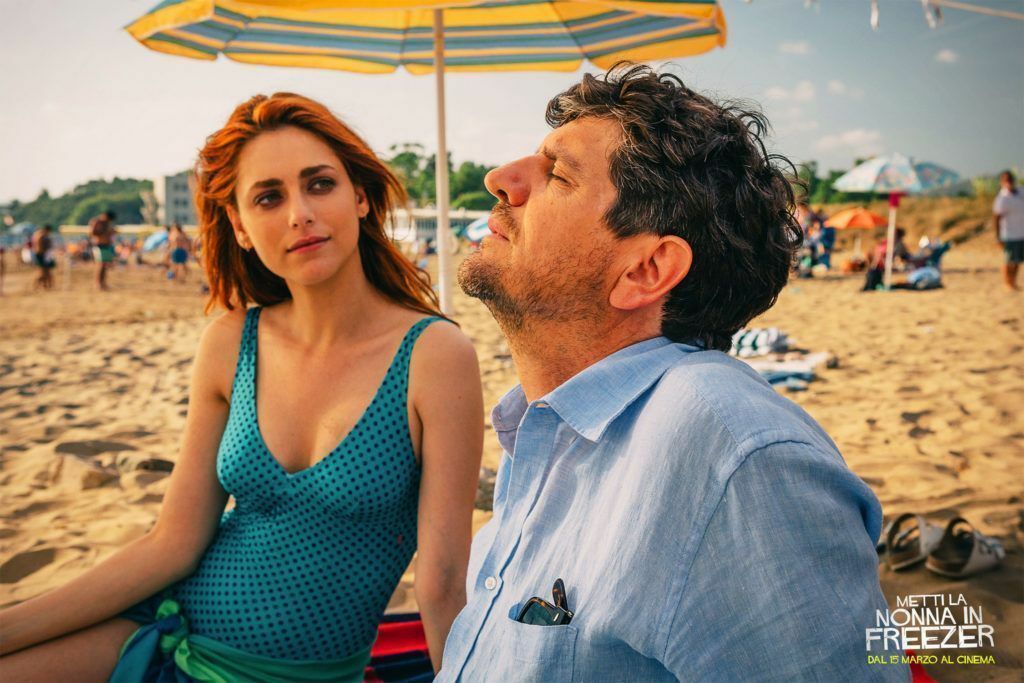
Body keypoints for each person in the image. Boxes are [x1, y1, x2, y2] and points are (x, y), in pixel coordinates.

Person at [439, 64, 905, 682]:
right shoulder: (550, 426)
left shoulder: (734, 459)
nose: (500, 178)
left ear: (646, 270)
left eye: (559, 174)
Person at [0, 93, 484, 682]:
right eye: (268, 197)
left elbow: (442, 584)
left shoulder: (434, 356)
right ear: (240, 227)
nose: (299, 214)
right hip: (164, 632)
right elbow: (173, 542)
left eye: (320, 184)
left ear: (359, 196)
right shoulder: (232, 342)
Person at [993, 169, 1024, 291]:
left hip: (1021, 232)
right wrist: (998, 237)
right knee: (1009, 260)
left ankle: (1013, 282)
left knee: (1018, 260)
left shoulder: (1021, 191)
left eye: (1010, 179)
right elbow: (996, 218)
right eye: (1006, 180)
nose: (1009, 182)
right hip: (1009, 234)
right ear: (1002, 182)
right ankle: (1008, 282)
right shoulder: (1002, 198)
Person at [88, 210, 117, 290]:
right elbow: (93, 232)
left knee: (104, 265)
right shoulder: (97, 222)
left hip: (106, 245)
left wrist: (110, 232)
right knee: (100, 265)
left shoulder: (106, 223)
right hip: (99, 245)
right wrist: (106, 232)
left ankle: (103, 283)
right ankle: (98, 284)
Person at [31, 224, 56, 290]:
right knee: (45, 272)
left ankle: (45, 285)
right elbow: (40, 247)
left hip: (41, 255)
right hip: (42, 255)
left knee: (45, 272)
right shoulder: (42, 236)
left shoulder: (39, 235)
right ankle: (41, 285)